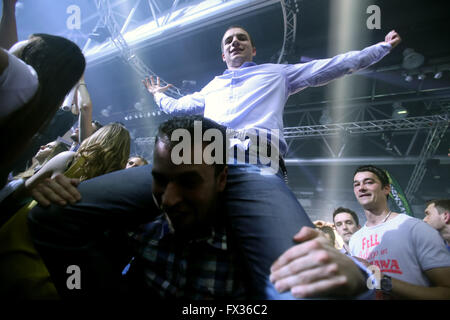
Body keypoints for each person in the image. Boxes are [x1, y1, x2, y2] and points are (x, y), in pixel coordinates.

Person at [143, 26, 401, 165]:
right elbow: (176, 107)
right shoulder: (212, 87)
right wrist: (157, 94)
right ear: (223, 55)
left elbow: (334, 65)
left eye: (241, 38)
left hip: (258, 156)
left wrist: (381, 48)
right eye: (229, 41)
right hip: (211, 157)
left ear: (252, 49)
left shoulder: (278, 73)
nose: (234, 42)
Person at [0, 123, 131, 299]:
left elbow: (24, 190)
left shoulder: (68, 159)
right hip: (48, 263)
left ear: (96, 138)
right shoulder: (113, 186)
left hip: (20, 237)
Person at [0, 0, 86, 187]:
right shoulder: (29, 94)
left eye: (29, 41)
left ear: (35, 54)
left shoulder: (25, 79)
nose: (19, 42)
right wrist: (9, 9)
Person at [349, 165, 450, 299]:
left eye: (369, 182)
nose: (361, 188)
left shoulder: (415, 228)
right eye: (356, 184)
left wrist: (382, 280)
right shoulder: (355, 239)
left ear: (386, 189)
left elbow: (446, 292)